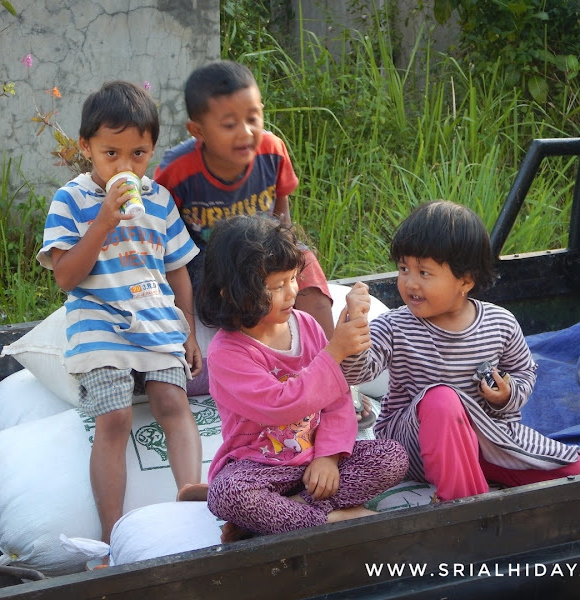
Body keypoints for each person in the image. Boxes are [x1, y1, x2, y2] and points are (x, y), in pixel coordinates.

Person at [37, 81, 203, 558]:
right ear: (86, 148)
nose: (125, 167)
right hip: (99, 321)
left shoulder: (159, 200)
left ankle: (191, 499)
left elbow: (177, 271)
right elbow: (67, 277)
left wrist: (187, 329)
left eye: (139, 154)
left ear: (152, 151)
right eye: (112, 153)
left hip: (155, 318)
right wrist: (104, 222)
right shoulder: (70, 201)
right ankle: (113, 536)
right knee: (116, 416)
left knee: (173, 401)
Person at [184, 214, 408, 541]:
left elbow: (337, 400)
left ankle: (284, 514)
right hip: (257, 468)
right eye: (277, 286)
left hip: (314, 464)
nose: (292, 292)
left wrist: (328, 458)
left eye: (292, 278)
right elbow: (281, 404)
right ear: (232, 293)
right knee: (229, 493)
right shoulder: (227, 352)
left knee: (391, 457)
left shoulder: (306, 325)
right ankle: (332, 520)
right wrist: (334, 353)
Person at [341, 200, 580, 502]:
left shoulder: (499, 323)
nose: (409, 282)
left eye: (424, 272)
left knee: (571, 468)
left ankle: (478, 471)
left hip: (491, 437)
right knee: (441, 399)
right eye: (404, 268)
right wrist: (354, 337)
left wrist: (508, 394)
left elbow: (524, 371)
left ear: (465, 280)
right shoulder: (394, 325)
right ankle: (468, 508)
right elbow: (359, 372)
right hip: (415, 444)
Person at [154, 59, 335, 340]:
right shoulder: (177, 170)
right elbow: (163, 230)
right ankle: (256, 359)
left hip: (269, 240)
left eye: (253, 119)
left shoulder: (272, 150)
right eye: (229, 124)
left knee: (311, 281)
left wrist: (289, 254)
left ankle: (332, 363)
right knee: (239, 301)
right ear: (198, 131)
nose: (246, 132)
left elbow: (281, 211)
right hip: (211, 257)